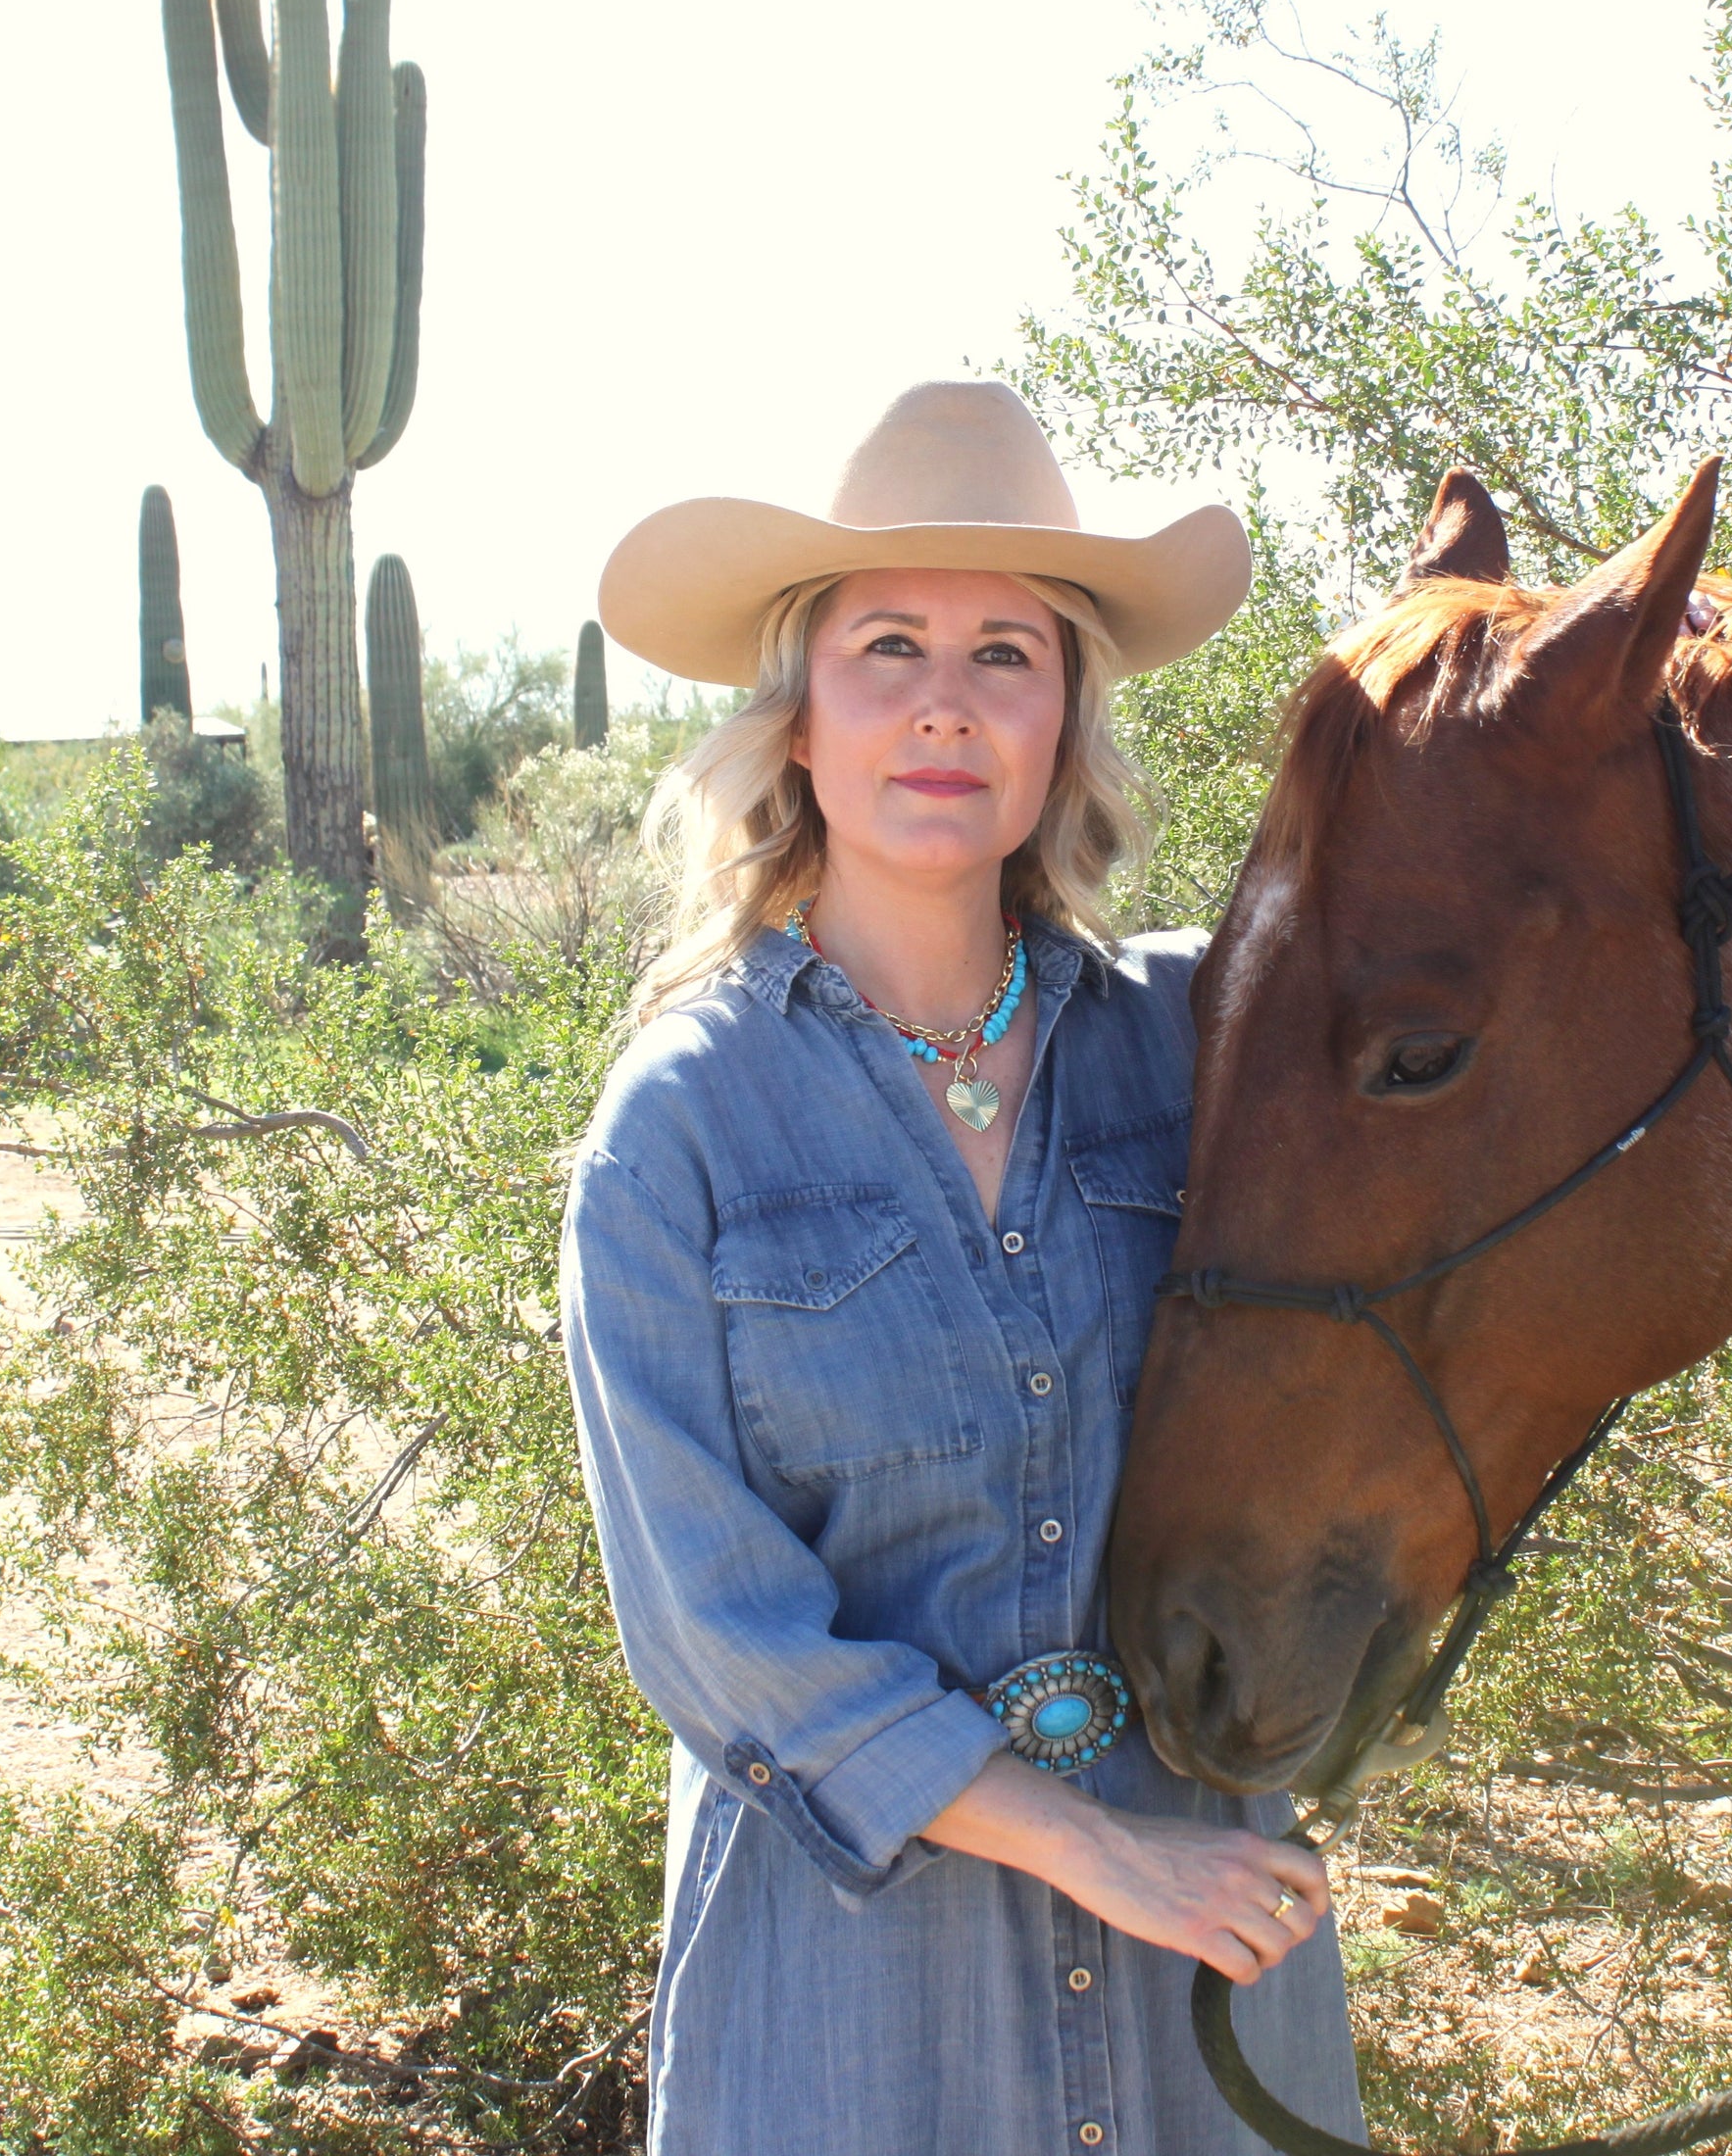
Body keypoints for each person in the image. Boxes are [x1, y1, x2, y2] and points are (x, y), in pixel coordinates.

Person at [563, 380, 1364, 2152]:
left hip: (1213, 1957)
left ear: (1065, 716)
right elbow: (716, 1631)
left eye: (1006, 653)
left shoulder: (1202, 1044)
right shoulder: (685, 1127)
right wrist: (1092, 1848)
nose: (946, 702)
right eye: (889, 649)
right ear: (797, 719)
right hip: (858, 1995)